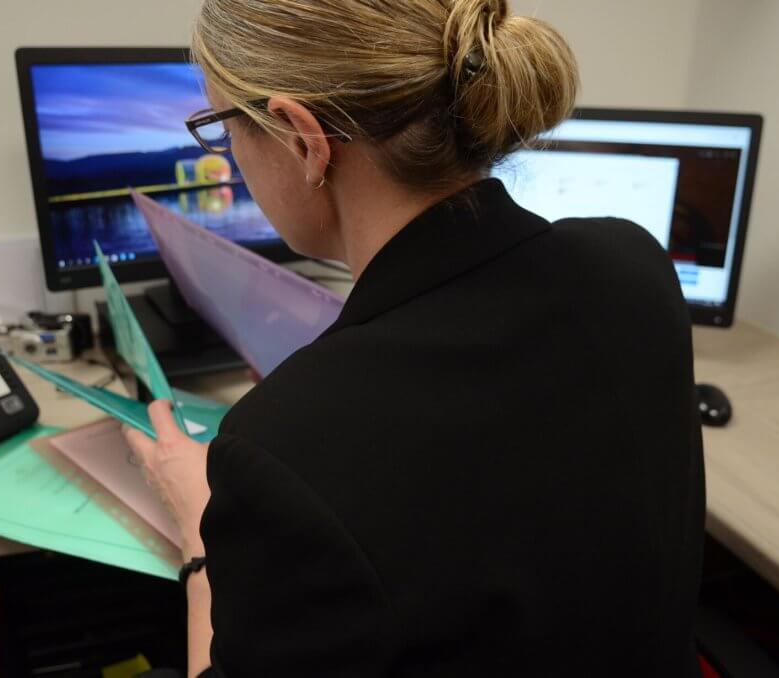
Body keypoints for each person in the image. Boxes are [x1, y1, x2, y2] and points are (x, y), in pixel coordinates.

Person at [124, 0, 706, 676]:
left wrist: (202, 538)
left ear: (301, 138)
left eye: (224, 128)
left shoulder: (278, 453)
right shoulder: (631, 263)